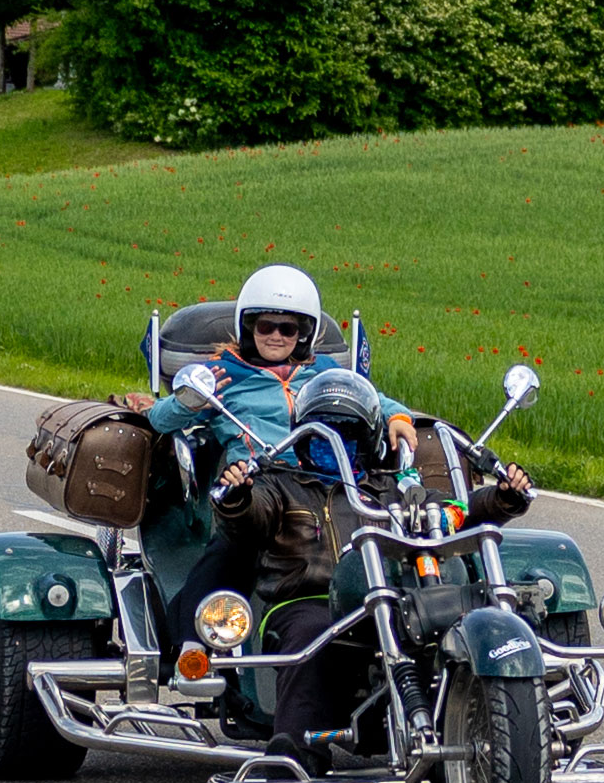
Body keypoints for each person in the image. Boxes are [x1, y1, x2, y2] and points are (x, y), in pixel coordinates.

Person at [213, 368, 535, 777]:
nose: (333, 443)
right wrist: (237, 496)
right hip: (309, 597)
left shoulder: (393, 487)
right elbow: (248, 516)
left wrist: (503, 497)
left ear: (368, 441)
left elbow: (453, 510)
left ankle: (487, 725)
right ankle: (296, 751)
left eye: (346, 434)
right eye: (320, 434)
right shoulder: (279, 486)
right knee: (315, 634)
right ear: (302, 438)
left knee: (450, 625)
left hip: (393, 598)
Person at [116, 265, 420, 654]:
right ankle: (193, 645)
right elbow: (160, 419)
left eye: (288, 328)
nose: (276, 336)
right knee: (232, 551)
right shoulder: (222, 373)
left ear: (304, 333)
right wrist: (189, 402)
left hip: (325, 482)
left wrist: (398, 418)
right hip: (259, 484)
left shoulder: (322, 370)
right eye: (265, 326)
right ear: (248, 327)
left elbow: (372, 399)